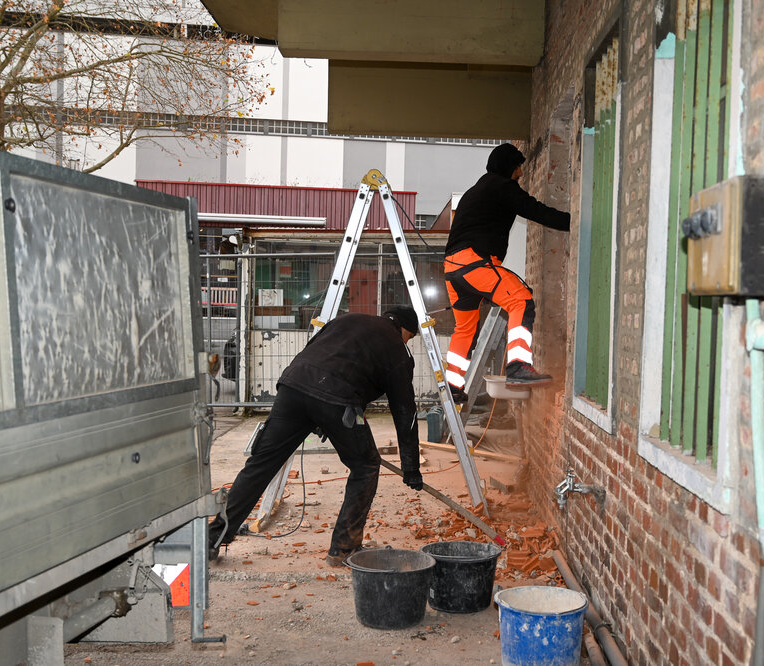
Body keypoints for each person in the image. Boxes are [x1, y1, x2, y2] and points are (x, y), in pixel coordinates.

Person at [208, 306, 424, 567]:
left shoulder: (347, 319)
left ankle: (213, 539)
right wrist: (411, 468)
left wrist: (315, 412)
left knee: (260, 465)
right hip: (338, 399)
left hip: (292, 387)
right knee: (365, 465)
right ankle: (344, 548)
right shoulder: (397, 347)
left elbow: (312, 350)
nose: (407, 342)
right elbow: (405, 411)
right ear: (404, 328)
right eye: (410, 337)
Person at [443, 143, 571, 402]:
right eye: (518, 166)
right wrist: (573, 221)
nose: (521, 173)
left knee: (464, 329)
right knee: (520, 299)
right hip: (475, 263)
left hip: (453, 270)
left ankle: (453, 386)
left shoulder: (474, 191)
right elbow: (535, 210)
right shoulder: (501, 187)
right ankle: (518, 366)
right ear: (509, 167)